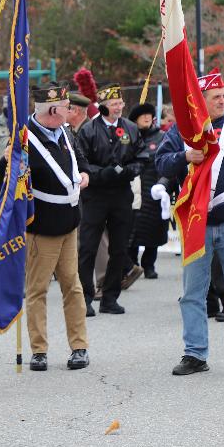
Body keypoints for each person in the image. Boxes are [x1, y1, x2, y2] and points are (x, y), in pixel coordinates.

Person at [155, 70, 224, 378]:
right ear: (200, 101)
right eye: (216, 97)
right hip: (196, 224)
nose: (223, 101)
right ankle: (195, 353)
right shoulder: (182, 131)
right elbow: (161, 163)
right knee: (193, 293)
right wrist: (185, 156)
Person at [23, 87, 91, 372]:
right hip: (42, 227)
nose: (70, 111)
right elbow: (10, 177)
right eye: (66, 106)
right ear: (52, 110)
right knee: (37, 290)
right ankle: (39, 350)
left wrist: (85, 172)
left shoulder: (65, 132)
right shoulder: (23, 139)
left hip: (69, 222)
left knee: (72, 287)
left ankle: (79, 346)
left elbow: (79, 158)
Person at [75, 85, 146, 315]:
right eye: (113, 104)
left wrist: (130, 170)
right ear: (103, 106)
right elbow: (81, 161)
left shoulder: (131, 128)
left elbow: (142, 156)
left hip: (121, 194)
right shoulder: (88, 130)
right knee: (88, 247)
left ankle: (110, 298)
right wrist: (101, 173)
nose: (118, 108)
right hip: (95, 195)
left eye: (120, 103)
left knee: (119, 248)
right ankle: (85, 298)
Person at [127, 103, 169, 279]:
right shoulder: (129, 137)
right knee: (131, 230)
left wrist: (163, 185)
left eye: (149, 115)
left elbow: (167, 163)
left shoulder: (162, 138)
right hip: (133, 191)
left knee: (154, 229)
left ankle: (149, 264)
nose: (146, 117)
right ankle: (132, 265)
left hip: (154, 190)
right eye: (142, 115)